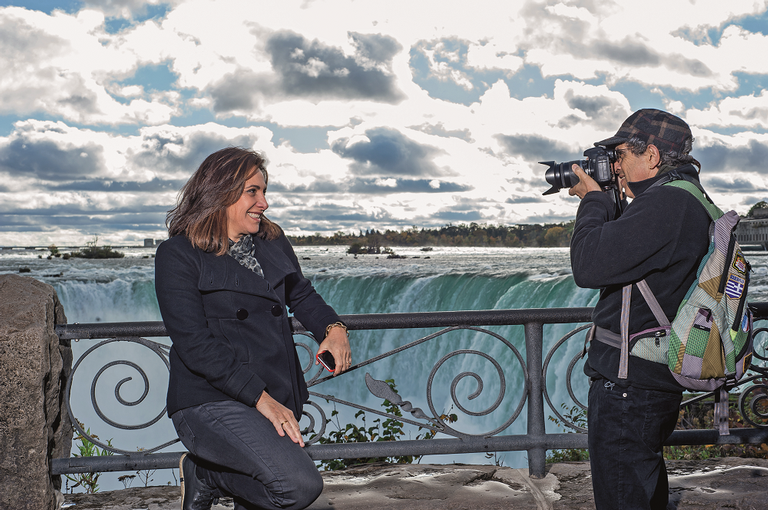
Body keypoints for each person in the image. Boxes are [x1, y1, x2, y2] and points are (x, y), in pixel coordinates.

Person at [155, 147, 352, 510]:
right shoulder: (178, 254)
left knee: (268, 498)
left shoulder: (271, 240)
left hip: (276, 392)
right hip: (210, 399)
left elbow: (303, 295)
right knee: (297, 485)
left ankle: (212, 476)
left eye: (264, 191)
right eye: (253, 192)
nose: (264, 202)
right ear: (220, 192)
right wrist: (262, 401)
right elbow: (194, 344)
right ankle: (207, 474)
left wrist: (334, 327)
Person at [568, 109, 711, 510]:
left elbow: (589, 265)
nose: (614, 167)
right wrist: (610, 200)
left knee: (624, 497)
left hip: (631, 389)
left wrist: (594, 201)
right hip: (642, 382)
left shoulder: (668, 204)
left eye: (620, 157)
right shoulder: (679, 199)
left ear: (650, 156)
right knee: (640, 492)